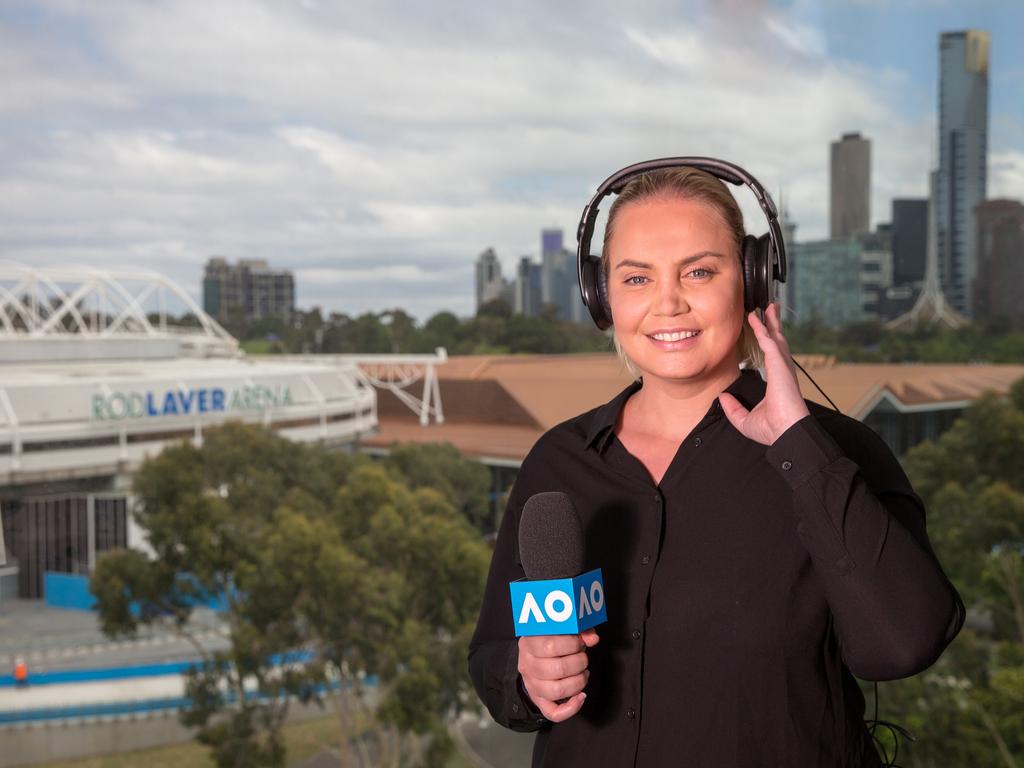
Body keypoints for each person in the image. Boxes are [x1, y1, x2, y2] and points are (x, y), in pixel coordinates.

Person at [467, 165, 964, 767]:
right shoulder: (559, 461)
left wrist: (797, 446)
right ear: (602, 296)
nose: (668, 302)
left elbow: (903, 645)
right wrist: (529, 680)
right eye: (637, 277)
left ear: (752, 283)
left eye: (699, 271)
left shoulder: (837, 452)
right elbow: (495, 653)